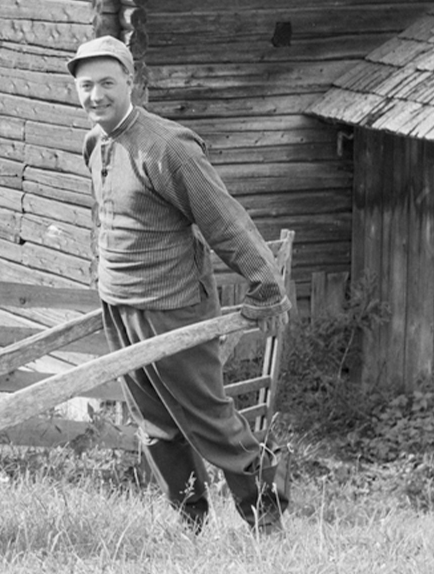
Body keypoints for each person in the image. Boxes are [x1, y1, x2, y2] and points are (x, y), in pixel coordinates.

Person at [68, 36, 292, 534]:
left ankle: (267, 514)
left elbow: (222, 218)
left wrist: (264, 284)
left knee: (207, 417)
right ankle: (190, 518)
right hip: (118, 304)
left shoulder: (167, 146)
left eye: (108, 82)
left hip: (171, 303)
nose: (96, 95)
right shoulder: (95, 142)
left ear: (132, 83)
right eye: (86, 86)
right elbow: (107, 218)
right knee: (155, 423)